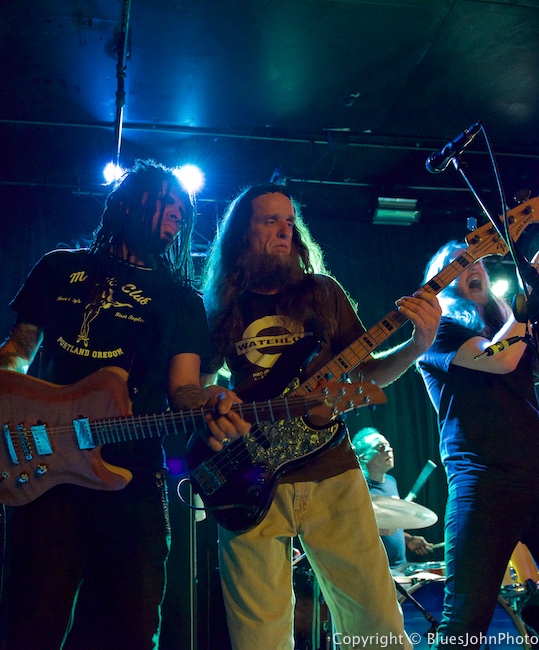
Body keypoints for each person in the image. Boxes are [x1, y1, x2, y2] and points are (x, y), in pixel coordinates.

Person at [0, 159, 248, 650]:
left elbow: (184, 388)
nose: (178, 213)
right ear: (127, 202)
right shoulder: (58, 268)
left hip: (133, 474)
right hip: (47, 467)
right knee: (31, 623)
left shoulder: (180, 298)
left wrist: (211, 400)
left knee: (132, 627)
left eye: (183, 208)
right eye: (167, 201)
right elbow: (18, 352)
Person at [199, 182, 442, 650]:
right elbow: (204, 386)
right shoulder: (222, 304)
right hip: (251, 476)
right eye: (270, 220)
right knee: (258, 636)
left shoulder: (323, 294)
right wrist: (213, 410)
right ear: (242, 233)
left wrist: (417, 346)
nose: (284, 230)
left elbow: (366, 371)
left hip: (331, 469)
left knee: (376, 625)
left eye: (290, 221)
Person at [415, 241, 539, 648]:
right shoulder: (438, 331)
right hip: (483, 485)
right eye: (460, 264)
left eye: (478, 262)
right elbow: (496, 358)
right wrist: (524, 306)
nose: (474, 268)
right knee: (465, 621)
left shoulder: (514, 329)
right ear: (441, 281)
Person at [353, 427, 434, 571]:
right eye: (380, 447)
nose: (389, 450)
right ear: (363, 457)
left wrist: (408, 539)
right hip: (374, 571)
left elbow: (389, 522)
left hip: (401, 566)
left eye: (388, 445)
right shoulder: (356, 489)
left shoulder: (391, 481)